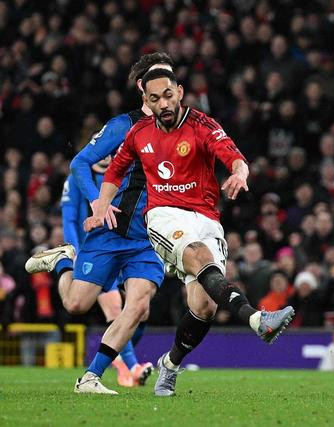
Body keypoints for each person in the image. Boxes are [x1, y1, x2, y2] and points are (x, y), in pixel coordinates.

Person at [85, 68, 295, 397]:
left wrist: (239, 174)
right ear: (146, 100)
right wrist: (101, 206)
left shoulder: (202, 125)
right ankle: (256, 318)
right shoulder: (139, 133)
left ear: (180, 92)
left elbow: (236, 158)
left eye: (168, 95)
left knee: (205, 306)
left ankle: (169, 364)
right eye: (155, 98)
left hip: (206, 217)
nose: (163, 104)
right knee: (198, 255)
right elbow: (114, 171)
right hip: (163, 215)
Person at [24, 53, 175, 394]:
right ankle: (63, 260)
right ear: (143, 88)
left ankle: (92, 377)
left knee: (138, 306)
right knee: (76, 304)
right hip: (110, 232)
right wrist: (97, 201)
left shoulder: (181, 129)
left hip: (147, 239)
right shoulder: (122, 126)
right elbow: (80, 163)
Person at [60, 155, 152, 387]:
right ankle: (132, 367)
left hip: (125, 247)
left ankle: (120, 361)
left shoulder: (124, 173)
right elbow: (70, 219)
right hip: (96, 251)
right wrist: (74, 249)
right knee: (108, 308)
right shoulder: (80, 178)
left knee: (141, 312)